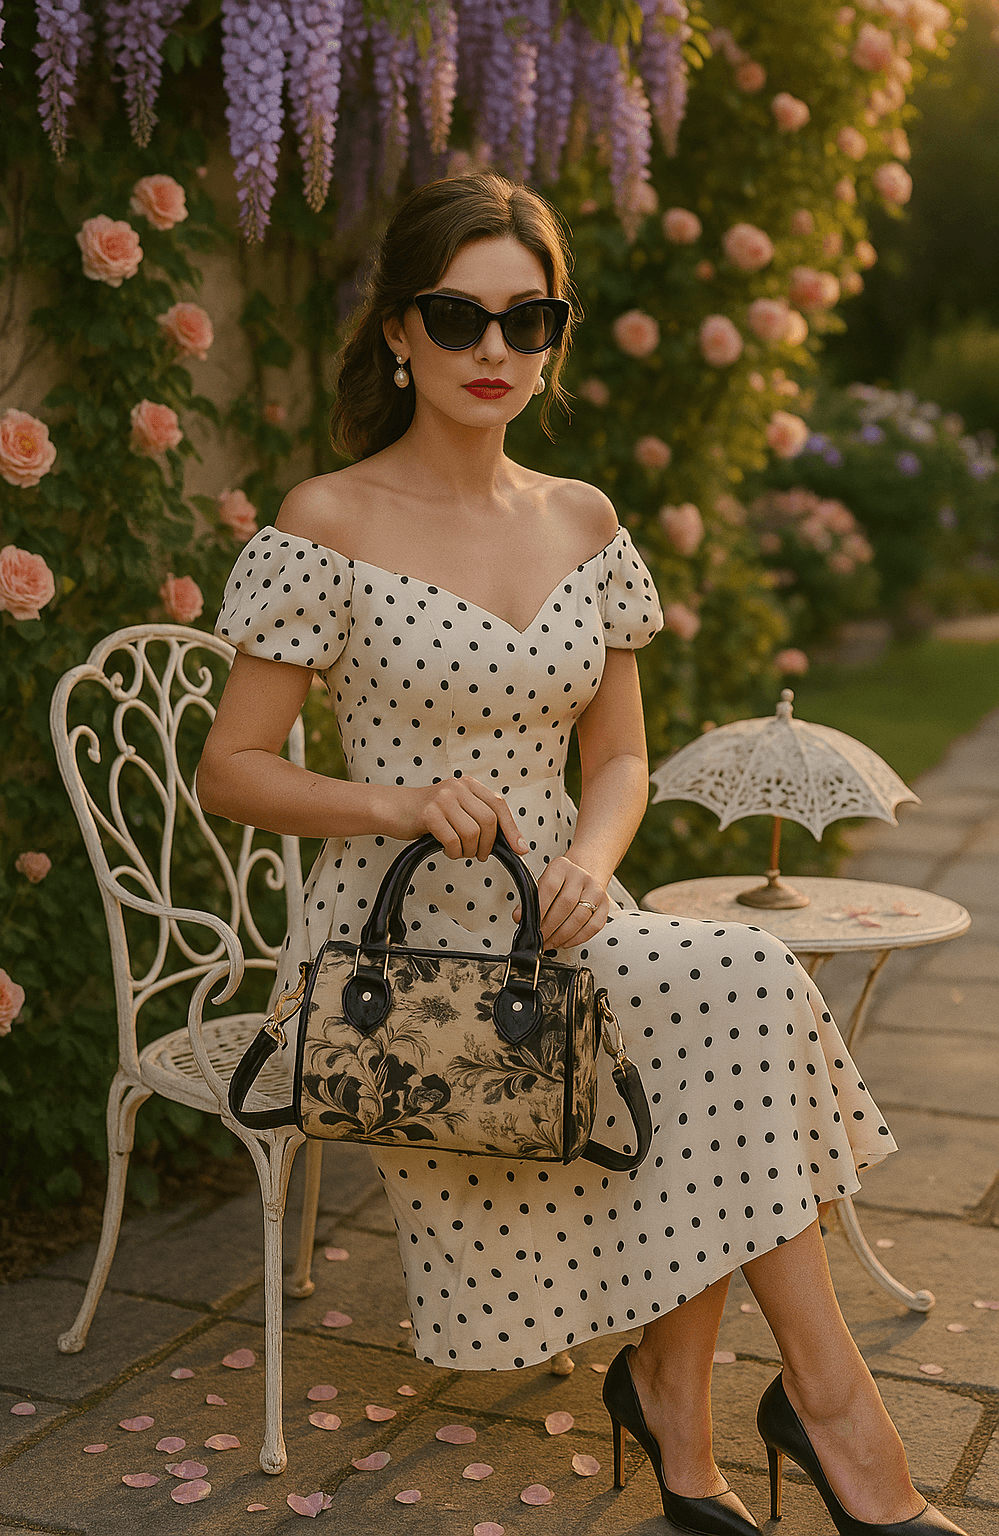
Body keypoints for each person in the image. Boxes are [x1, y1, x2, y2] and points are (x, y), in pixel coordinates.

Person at [197, 172, 963, 1536]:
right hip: (401, 955)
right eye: (457, 316)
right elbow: (233, 771)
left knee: (738, 986)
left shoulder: (584, 522)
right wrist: (397, 804)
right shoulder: (328, 520)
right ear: (398, 333)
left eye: (528, 320)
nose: (494, 351)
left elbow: (617, 757)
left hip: (561, 911)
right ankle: (805, 1418)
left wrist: (599, 863)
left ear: (556, 336)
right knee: (724, 1013)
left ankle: (735, 1405)